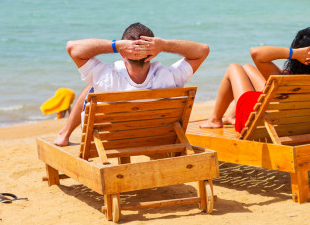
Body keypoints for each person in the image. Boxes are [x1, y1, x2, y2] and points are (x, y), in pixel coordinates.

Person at [54, 22, 210, 146]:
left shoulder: (106, 79)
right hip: (156, 137)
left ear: (123, 53)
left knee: (93, 87)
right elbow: (203, 50)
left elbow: (72, 47)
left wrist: (116, 45)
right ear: (152, 53)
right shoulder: (169, 79)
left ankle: (64, 134)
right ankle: (64, 133)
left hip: (110, 140)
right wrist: (164, 45)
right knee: (95, 85)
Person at [198, 27, 310, 131]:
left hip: (264, 126)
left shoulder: (281, 78)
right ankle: (229, 117)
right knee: (247, 68)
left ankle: (214, 119)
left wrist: (294, 54)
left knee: (234, 68)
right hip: (304, 124)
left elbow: (256, 52)